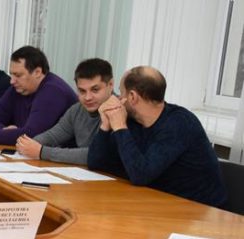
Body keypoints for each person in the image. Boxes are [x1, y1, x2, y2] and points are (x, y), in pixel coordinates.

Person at [88, 66, 227, 207]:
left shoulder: (179, 123)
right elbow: (95, 163)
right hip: (156, 202)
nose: (117, 98)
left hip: (199, 210)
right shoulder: (132, 121)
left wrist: (119, 126)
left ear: (132, 97)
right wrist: (105, 125)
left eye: (121, 93)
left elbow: (140, 175)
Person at [16, 58, 114, 165]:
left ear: (110, 85)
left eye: (95, 90)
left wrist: (42, 152)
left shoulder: (119, 112)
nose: (87, 97)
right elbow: (53, 136)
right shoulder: (76, 110)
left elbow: (95, 155)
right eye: (82, 91)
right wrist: (28, 144)